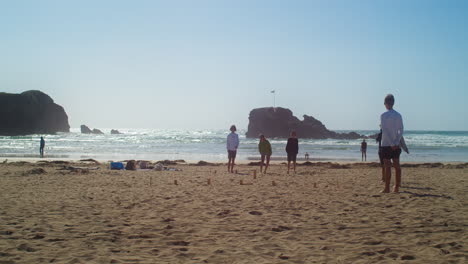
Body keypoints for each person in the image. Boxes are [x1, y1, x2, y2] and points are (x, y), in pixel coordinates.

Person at [380, 94, 404, 193]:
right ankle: (396, 187)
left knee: (387, 166)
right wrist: (396, 142)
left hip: (386, 143)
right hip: (395, 144)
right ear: (393, 103)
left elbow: (384, 130)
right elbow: (401, 130)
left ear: (385, 103)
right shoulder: (398, 115)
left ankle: (387, 188)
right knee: (397, 165)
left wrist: (391, 143)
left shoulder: (383, 115)